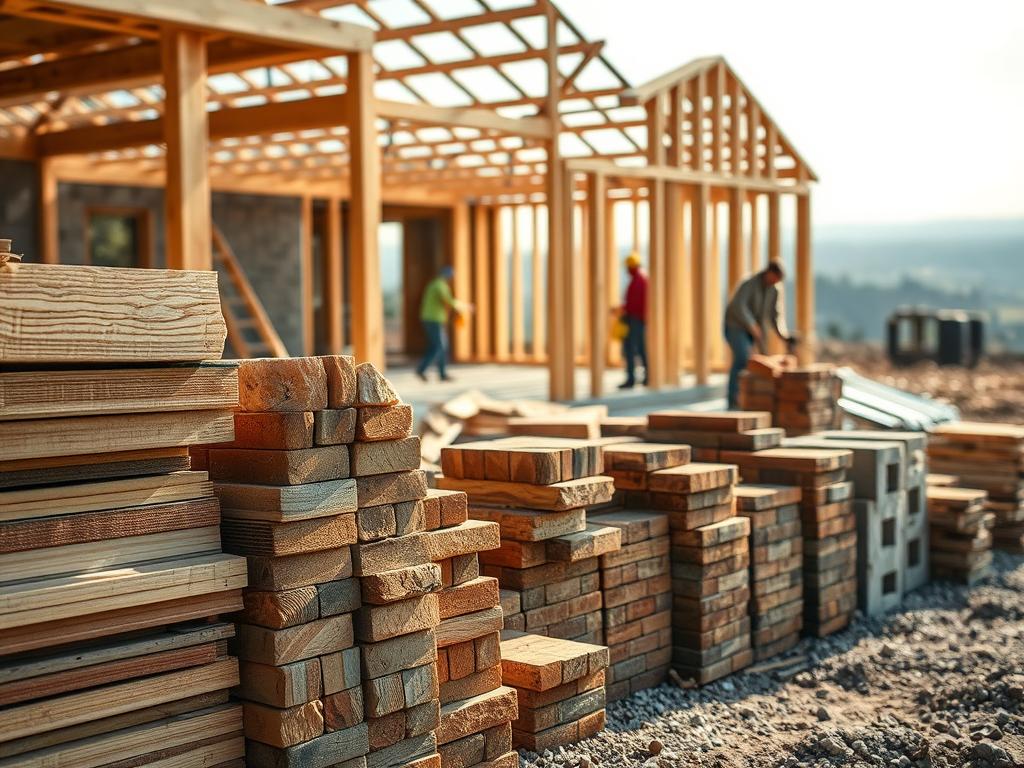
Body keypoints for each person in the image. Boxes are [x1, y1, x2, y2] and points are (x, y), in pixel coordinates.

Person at [724, 261, 796, 407]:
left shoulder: (775, 289)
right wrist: (751, 324)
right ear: (768, 272)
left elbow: (775, 316)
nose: (775, 282)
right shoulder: (749, 283)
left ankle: (752, 399)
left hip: (754, 330)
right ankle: (733, 399)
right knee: (743, 358)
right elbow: (739, 306)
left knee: (760, 362)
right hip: (736, 326)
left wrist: (784, 336)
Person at [416, 265, 464, 382]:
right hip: (434, 319)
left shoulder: (434, 284)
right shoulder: (440, 285)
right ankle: (431, 372)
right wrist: (464, 307)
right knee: (440, 346)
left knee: (437, 346)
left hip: (431, 318)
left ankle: (432, 372)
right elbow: (449, 301)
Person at [619, 252, 649, 389]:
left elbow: (635, 303)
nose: (626, 270)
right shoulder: (641, 278)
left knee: (632, 349)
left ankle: (633, 379)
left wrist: (623, 309)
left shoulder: (639, 280)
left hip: (635, 320)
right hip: (637, 319)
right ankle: (645, 377)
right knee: (640, 348)